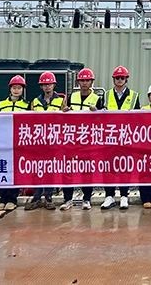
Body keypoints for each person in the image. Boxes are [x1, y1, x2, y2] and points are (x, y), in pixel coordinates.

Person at [60, 68, 103, 211]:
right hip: (72, 138)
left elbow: (103, 119)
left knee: (86, 170)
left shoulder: (97, 99)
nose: (84, 83)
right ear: (78, 82)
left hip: (88, 139)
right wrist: (64, 111)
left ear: (91, 82)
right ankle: (68, 199)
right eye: (82, 80)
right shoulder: (71, 97)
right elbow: (63, 115)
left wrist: (97, 112)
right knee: (68, 169)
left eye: (87, 80)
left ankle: (87, 199)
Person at [25, 72, 65, 211]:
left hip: (54, 140)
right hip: (38, 140)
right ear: (41, 86)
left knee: (50, 170)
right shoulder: (35, 102)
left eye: (49, 84)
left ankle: (48, 198)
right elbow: (29, 120)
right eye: (44, 84)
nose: (47, 86)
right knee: (38, 169)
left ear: (54, 85)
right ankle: (36, 197)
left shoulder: (61, 101)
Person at [102, 65, 140, 210]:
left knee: (125, 166)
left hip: (126, 136)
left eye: (122, 78)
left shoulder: (134, 96)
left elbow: (137, 117)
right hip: (110, 136)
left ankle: (124, 195)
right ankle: (109, 196)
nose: (119, 80)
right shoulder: (106, 95)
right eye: (117, 78)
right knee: (109, 167)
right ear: (113, 80)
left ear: (126, 79)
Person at [0, 75, 30, 211]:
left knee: (15, 171)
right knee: (2, 169)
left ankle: (12, 199)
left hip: (18, 142)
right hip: (3, 142)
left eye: (19, 88)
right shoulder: (1, 104)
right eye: (14, 88)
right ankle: (2, 198)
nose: (16, 90)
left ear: (23, 90)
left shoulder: (27, 105)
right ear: (10, 89)